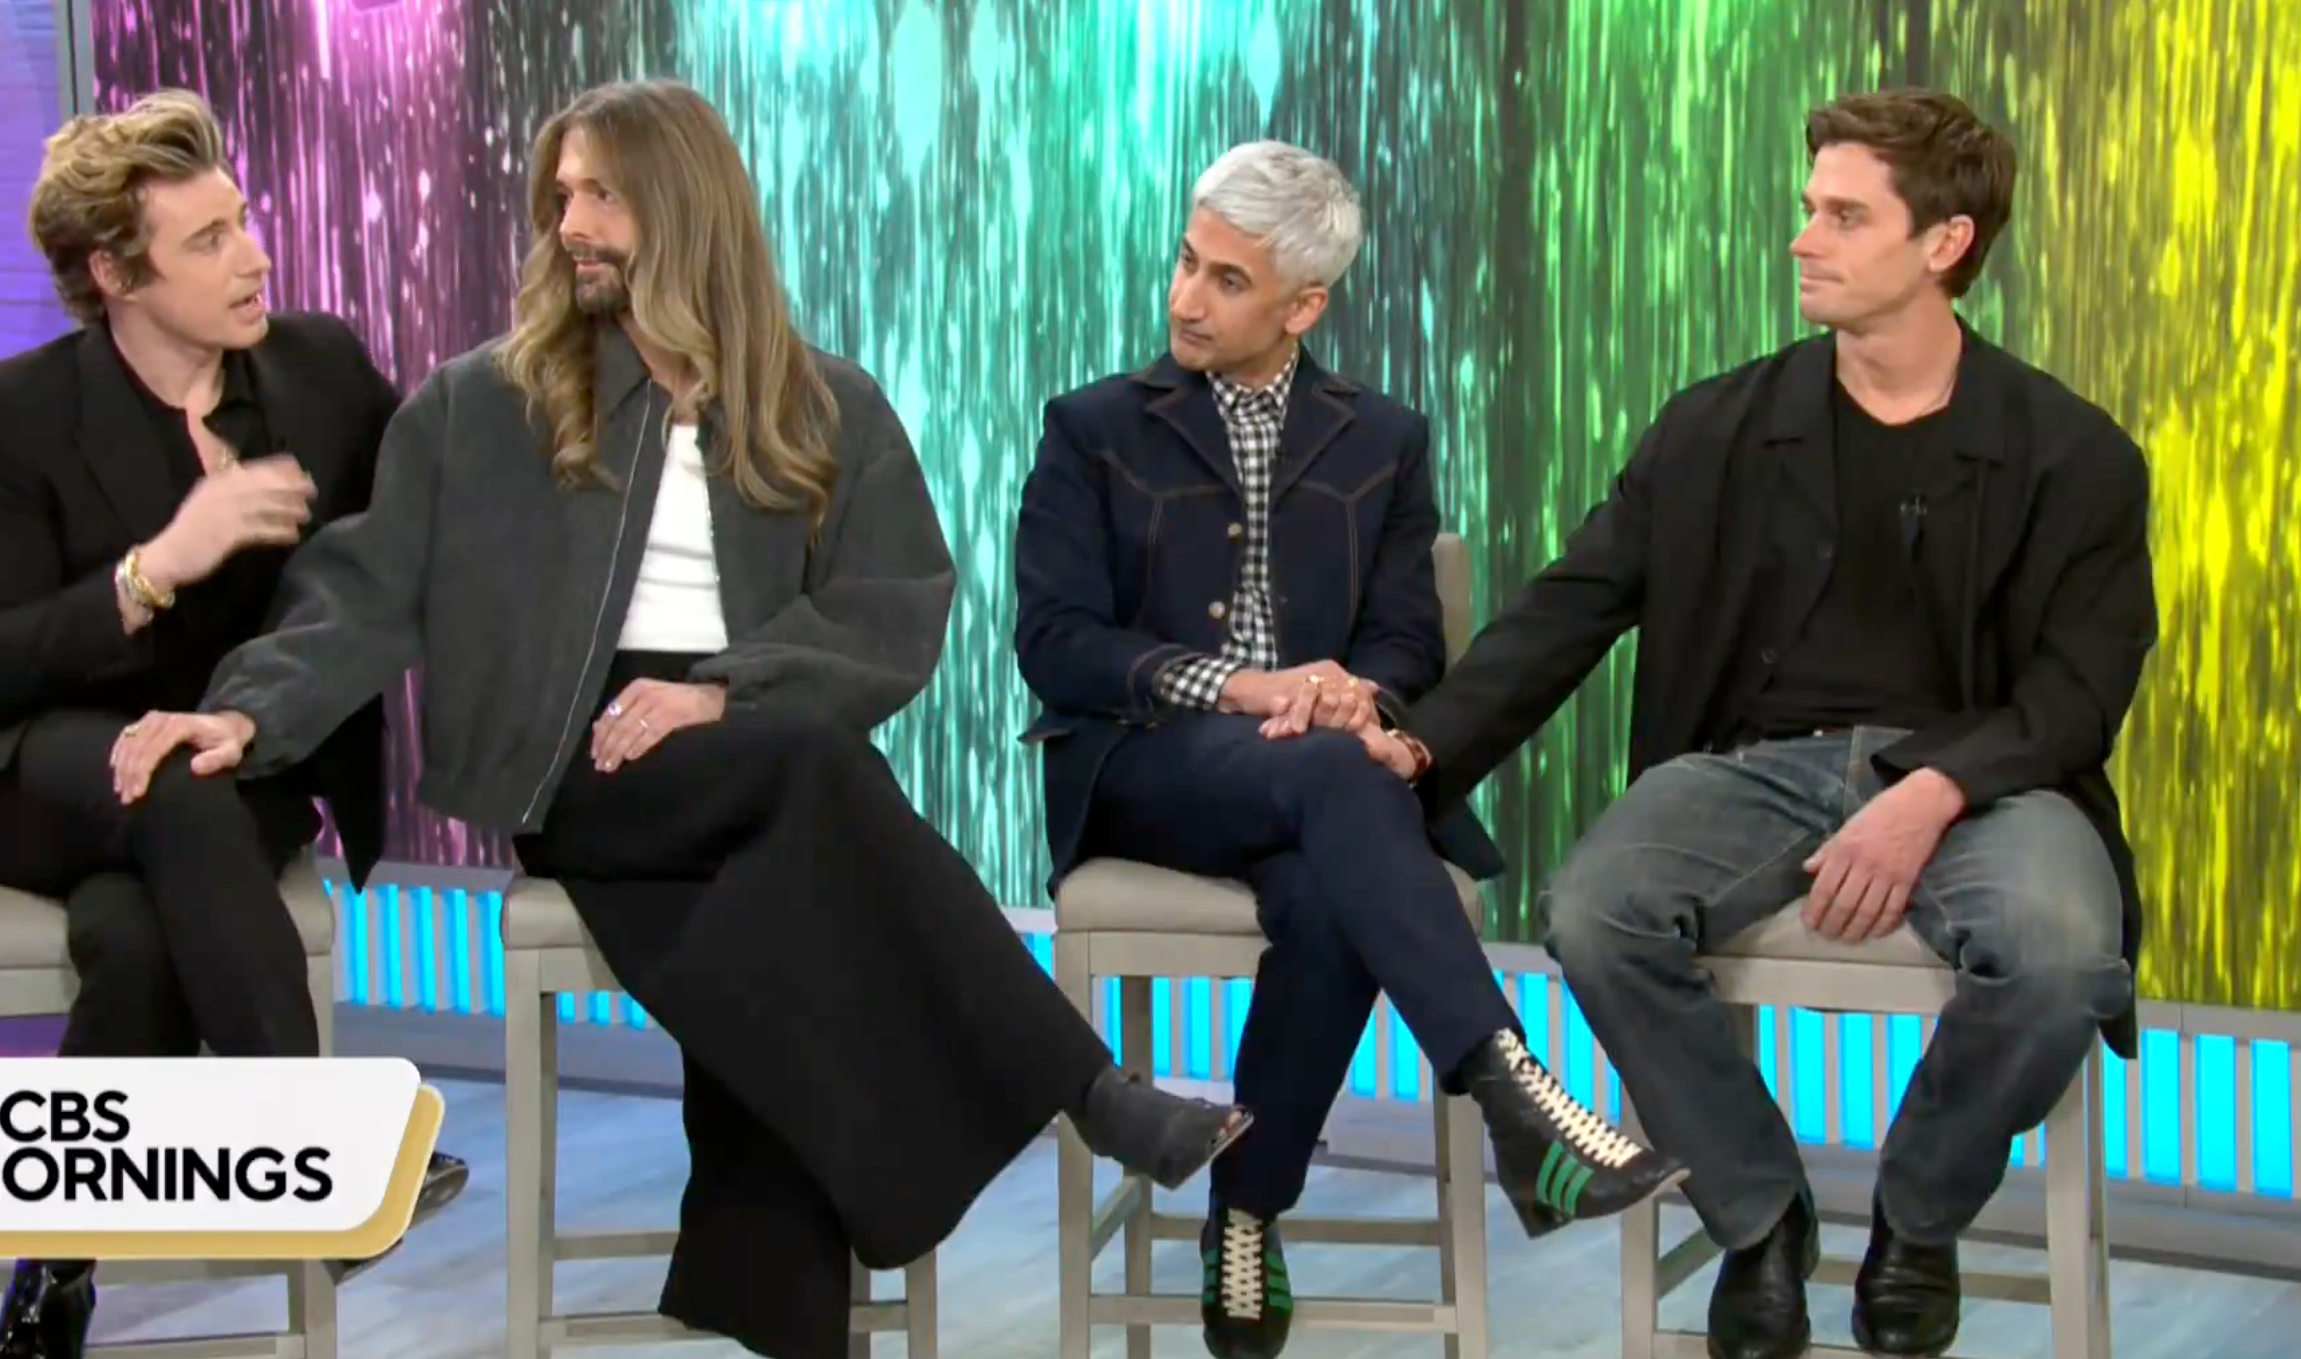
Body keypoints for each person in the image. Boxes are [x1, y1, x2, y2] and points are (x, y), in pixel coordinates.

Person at [107, 79, 1251, 1359]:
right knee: (820, 778)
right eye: (562, 196)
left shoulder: (826, 405)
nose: (569, 224)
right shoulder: (483, 405)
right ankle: (1085, 1088)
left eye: (601, 194)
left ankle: (786, 1307)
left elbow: (893, 610)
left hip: (756, 754)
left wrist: (722, 689)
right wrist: (247, 715)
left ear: (683, 206)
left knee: (789, 881)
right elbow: (361, 592)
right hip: (579, 758)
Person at [1327, 89, 2154, 1359]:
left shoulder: (2072, 454)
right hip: (1753, 768)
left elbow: (2078, 694)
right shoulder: (1716, 427)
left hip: (1985, 779)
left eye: (1844, 216)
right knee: (1595, 908)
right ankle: (1760, 1217)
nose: (1802, 238)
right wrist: (1426, 741)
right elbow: (1572, 605)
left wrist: (1929, 793)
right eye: (1808, 207)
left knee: (2059, 952)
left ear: (1944, 244)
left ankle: (1918, 1217)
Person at [1014, 140, 1685, 1359]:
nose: (1185, 298)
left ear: (1303, 306)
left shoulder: (1385, 438)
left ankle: (1245, 1210)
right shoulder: (1093, 429)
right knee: (1343, 785)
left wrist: (1351, 694)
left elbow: (1406, 637)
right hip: (1148, 767)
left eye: (1226, 279)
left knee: (1333, 891)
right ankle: (1516, 1093)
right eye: (1187, 261)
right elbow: (1056, 644)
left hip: (1319, 780)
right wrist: (1250, 687)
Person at [0, 89, 469, 1359]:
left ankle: (51, 1282)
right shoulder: (14, 411)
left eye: (244, 222)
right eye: (209, 240)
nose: (253, 257)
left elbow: (430, 515)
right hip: (44, 764)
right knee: (173, 789)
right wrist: (156, 567)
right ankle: (316, 1151)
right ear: (116, 276)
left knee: (136, 943)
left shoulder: (319, 374)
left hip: (236, 759)